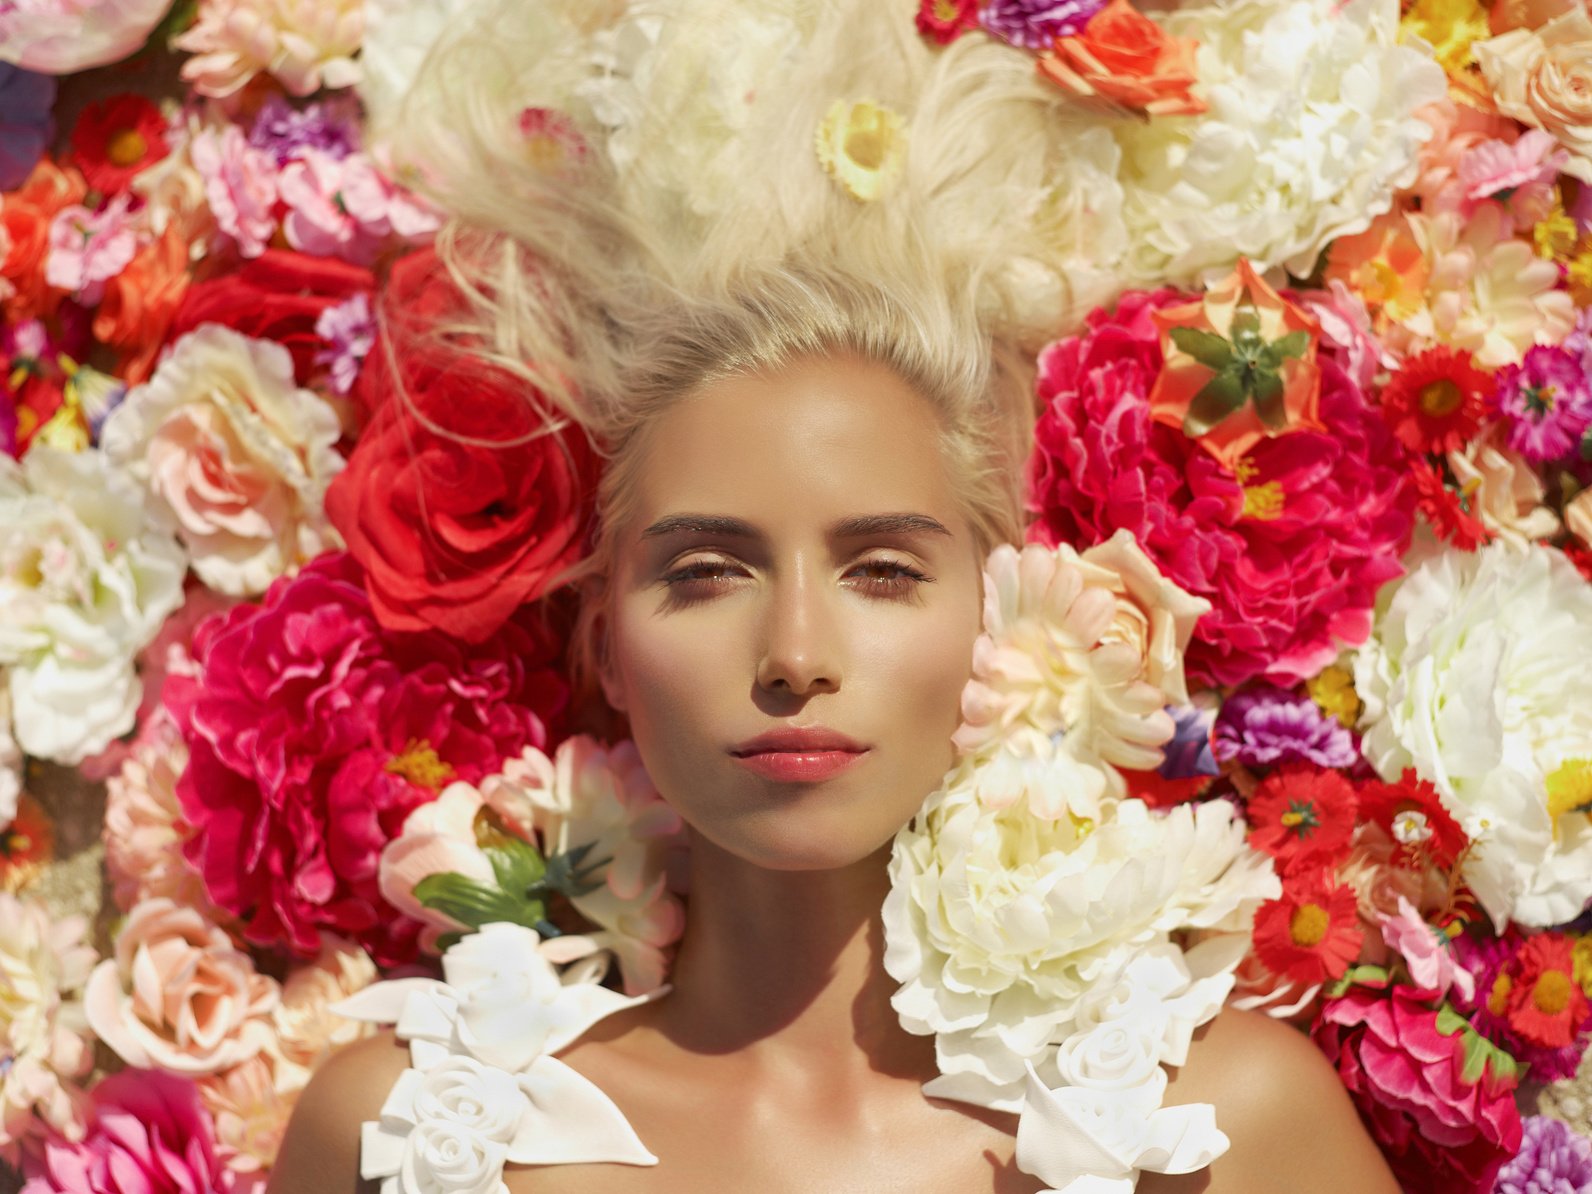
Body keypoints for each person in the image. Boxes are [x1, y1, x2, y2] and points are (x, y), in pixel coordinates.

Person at [267, 2, 1403, 1189]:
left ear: (995, 617)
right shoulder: (405, 1131)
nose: (794, 652)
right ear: (603, 644)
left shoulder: (1218, 1127)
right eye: (705, 573)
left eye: (880, 571)